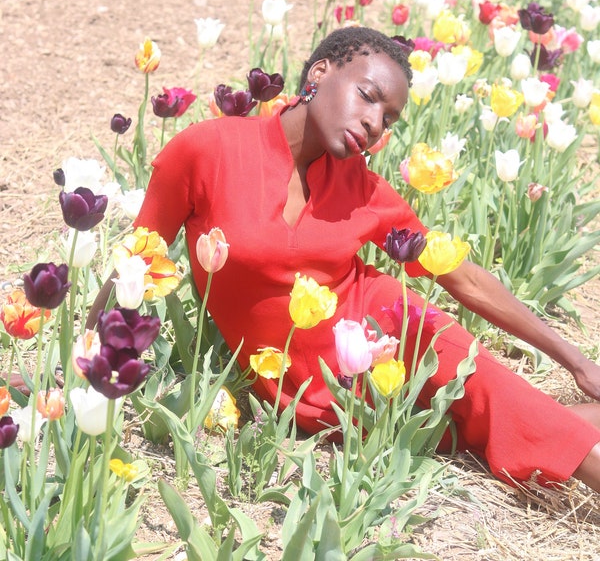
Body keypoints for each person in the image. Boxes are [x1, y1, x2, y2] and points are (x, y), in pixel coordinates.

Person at [89, 26, 600, 491]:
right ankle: (546, 423)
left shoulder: (364, 190)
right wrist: (83, 370)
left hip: (389, 329)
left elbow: (462, 278)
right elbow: (133, 264)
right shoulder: (208, 150)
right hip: (304, 386)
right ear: (320, 72)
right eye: (368, 96)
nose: (375, 122)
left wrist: (577, 362)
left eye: (389, 117)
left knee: (484, 391)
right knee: (480, 427)